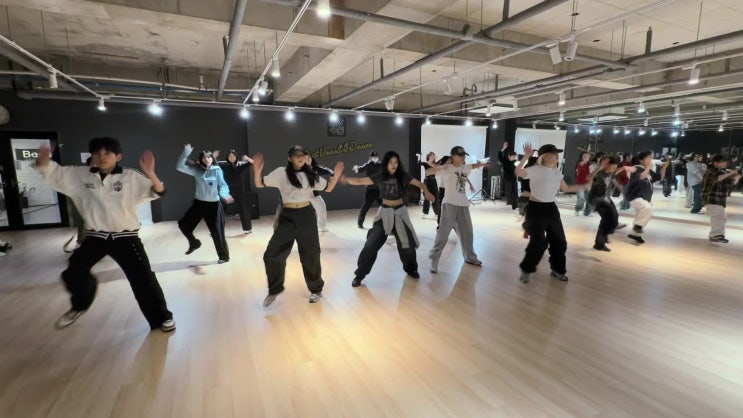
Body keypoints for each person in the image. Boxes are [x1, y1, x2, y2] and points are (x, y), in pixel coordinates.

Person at [35, 137, 174, 331]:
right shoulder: (79, 176)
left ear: (118, 157)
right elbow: (50, 171)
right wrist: (43, 158)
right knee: (73, 273)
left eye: (107, 153)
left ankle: (162, 318)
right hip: (95, 237)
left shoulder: (130, 177)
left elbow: (159, 191)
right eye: (96, 153)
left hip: (125, 238)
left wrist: (150, 172)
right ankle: (80, 305)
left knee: (143, 279)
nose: (101, 157)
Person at [253, 145, 343, 306]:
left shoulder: (310, 174)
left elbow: (328, 188)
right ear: (290, 158)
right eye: (297, 155)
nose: (301, 158)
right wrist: (257, 171)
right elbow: (260, 184)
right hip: (287, 216)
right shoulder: (281, 173)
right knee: (271, 254)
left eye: (303, 155)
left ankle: (316, 289)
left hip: (306, 216)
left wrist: (335, 177)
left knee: (311, 255)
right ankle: (275, 289)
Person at [343, 151, 435, 287]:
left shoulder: (403, 175)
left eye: (396, 162)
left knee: (407, 245)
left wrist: (427, 193)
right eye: (391, 162)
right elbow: (361, 181)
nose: (394, 165)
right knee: (371, 245)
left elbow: (420, 184)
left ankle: (411, 269)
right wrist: (346, 179)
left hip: (400, 213)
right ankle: (360, 274)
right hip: (384, 213)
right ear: (386, 163)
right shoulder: (380, 176)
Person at [515, 143, 588, 283]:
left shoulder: (556, 172)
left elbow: (566, 189)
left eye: (557, 154)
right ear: (545, 156)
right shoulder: (536, 169)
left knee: (560, 241)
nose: (557, 157)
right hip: (536, 209)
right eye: (554, 154)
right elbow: (518, 172)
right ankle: (526, 269)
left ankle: (557, 269)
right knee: (538, 243)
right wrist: (525, 157)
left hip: (551, 209)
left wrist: (583, 186)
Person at [428, 146, 489, 273]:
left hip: (463, 205)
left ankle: (470, 257)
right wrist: (437, 166)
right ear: (453, 156)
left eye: (464, 155)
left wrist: (482, 164)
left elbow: (473, 166)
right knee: (443, 234)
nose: (463, 157)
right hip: (449, 204)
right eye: (460, 155)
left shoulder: (465, 167)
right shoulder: (447, 168)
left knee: (468, 233)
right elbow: (428, 172)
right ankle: (434, 258)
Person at [176, 144, 233, 263]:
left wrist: (225, 194)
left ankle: (223, 257)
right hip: (199, 204)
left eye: (209, 157)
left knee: (217, 233)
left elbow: (223, 185)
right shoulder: (196, 170)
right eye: (204, 157)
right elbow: (180, 167)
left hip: (214, 205)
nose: (206, 159)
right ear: (201, 159)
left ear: (212, 159)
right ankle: (194, 242)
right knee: (183, 224)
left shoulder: (216, 170)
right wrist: (186, 152)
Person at [624, 151, 669, 244]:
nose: (650, 160)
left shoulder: (649, 171)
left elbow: (660, 177)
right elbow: (641, 176)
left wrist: (664, 167)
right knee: (647, 208)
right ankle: (637, 227)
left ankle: (635, 235)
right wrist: (649, 167)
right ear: (641, 160)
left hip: (644, 197)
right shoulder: (636, 168)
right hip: (635, 195)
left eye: (651, 158)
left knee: (640, 216)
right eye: (649, 158)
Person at [586, 156, 627, 252]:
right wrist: (599, 167)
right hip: (597, 199)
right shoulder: (599, 173)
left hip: (606, 198)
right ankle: (607, 232)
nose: (615, 167)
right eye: (613, 165)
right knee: (609, 215)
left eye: (616, 165)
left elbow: (616, 172)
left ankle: (599, 243)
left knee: (613, 215)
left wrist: (623, 168)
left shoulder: (611, 173)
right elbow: (589, 178)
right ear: (606, 165)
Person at [701, 155, 741, 243]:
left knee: (721, 217)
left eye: (725, 162)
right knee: (718, 217)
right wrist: (731, 173)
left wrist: (737, 177)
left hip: (719, 199)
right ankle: (716, 235)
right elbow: (718, 178)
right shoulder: (710, 171)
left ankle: (717, 235)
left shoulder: (722, 172)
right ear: (715, 163)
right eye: (722, 162)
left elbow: (730, 183)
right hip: (711, 198)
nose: (725, 163)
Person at [214, 149, 254, 234]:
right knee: (221, 210)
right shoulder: (223, 165)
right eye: (230, 156)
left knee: (243, 210)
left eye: (233, 156)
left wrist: (247, 158)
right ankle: (217, 230)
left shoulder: (241, 165)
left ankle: (247, 228)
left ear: (236, 157)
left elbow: (252, 162)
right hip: (227, 191)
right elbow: (213, 163)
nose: (232, 158)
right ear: (227, 157)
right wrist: (213, 156)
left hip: (239, 191)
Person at [353, 150, 383, 229]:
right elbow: (360, 169)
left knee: (385, 207)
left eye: (376, 156)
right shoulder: (368, 165)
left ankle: (387, 224)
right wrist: (356, 168)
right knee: (366, 206)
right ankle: (360, 223)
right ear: (370, 158)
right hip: (370, 190)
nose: (375, 158)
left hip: (379, 190)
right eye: (373, 157)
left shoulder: (381, 165)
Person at [307, 154, 335, 232]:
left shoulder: (316, 168)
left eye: (309, 157)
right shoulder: (299, 170)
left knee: (321, 206)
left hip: (314, 194)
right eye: (305, 158)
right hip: (302, 194)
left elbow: (328, 170)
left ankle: (322, 226)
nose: (308, 159)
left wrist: (332, 175)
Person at [418, 152, 440, 218]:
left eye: (433, 155)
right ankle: (424, 213)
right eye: (431, 155)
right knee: (427, 196)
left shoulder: (435, 164)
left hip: (434, 181)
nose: (432, 156)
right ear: (428, 157)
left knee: (435, 196)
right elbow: (419, 163)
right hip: (427, 181)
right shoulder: (426, 163)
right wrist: (419, 157)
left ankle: (437, 213)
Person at [498, 141, 518, 210]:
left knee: (515, 192)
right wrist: (503, 148)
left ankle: (515, 205)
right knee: (509, 193)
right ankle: (511, 203)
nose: (514, 157)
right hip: (508, 179)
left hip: (514, 179)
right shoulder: (505, 161)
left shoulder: (515, 162)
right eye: (513, 156)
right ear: (509, 156)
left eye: (515, 156)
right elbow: (499, 156)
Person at [574, 152, 592, 216]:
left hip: (587, 184)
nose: (587, 157)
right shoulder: (580, 164)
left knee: (589, 199)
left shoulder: (589, 165)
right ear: (581, 157)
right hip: (580, 184)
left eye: (588, 156)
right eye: (585, 156)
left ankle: (587, 212)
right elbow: (579, 172)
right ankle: (577, 209)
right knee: (581, 198)